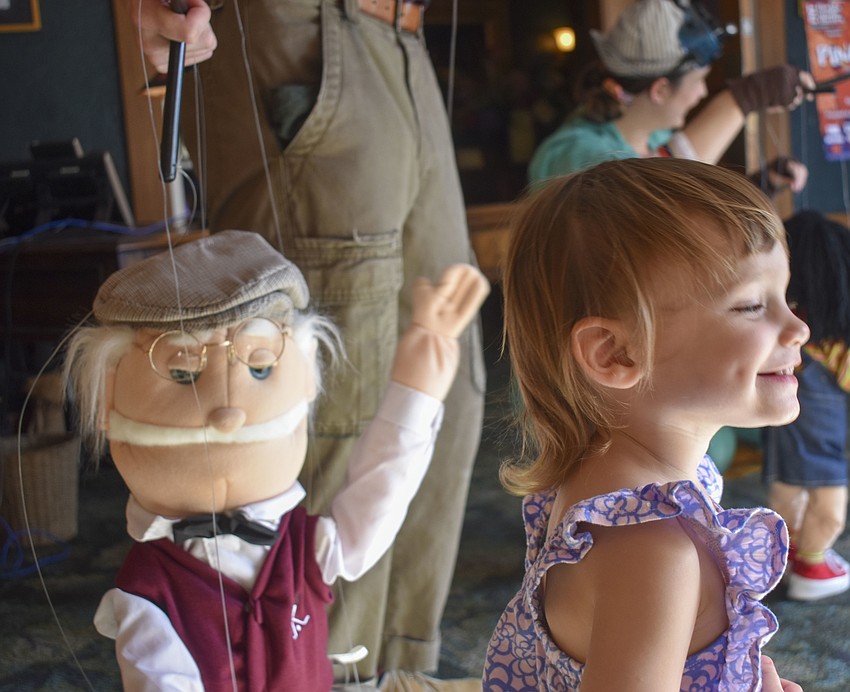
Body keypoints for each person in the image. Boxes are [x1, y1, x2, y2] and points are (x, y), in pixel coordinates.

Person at [125, 0, 487, 682]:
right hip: (296, 34)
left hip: (403, 40)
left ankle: (387, 672)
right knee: (320, 403)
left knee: (445, 384)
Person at [61, 230, 488, 689]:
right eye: (183, 372)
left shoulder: (305, 546)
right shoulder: (146, 593)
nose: (229, 414)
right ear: (108, 398)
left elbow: (379, 496)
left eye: (260, 365)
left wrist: (416, 388)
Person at [483, 157, 808, 690]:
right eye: (751, 305)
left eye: (785, 297)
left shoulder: (603, 486)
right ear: (614, 352)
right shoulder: (654, 552)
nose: (797, 327)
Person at [528, 0, 813, 189]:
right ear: (660, 90)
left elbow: (679, 213)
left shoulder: (654, 137)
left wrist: (759, 185)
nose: (702, 93)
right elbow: (658, 194)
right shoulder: (572, 155)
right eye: (699, 80)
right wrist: (747, 97)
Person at [763, 210, 850, 602]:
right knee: (829, 501)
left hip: (787, 441)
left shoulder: (788, 332)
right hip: (822, 449)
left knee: (787, 490)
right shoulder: (830, 341)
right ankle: (812, 563)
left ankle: (790, 553)